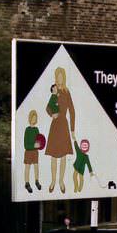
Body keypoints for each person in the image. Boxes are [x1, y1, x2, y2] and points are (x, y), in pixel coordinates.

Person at [45, 66, 75, 194]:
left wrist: (72, 129)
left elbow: (72, 111)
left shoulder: (67, 92)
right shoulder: (54, 92)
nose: (60, 78)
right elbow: (47, 108)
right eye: (58, 76)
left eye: (62, 76)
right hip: (55, 125)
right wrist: (52, 114)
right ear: (56, 78)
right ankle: (52, 181)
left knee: (63, 155)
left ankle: (61, 181)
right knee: (53, 155)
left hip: (63, 125)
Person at [22, 109, 42, 194]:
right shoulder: (27, 130)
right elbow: (25, 144)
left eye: (35, 118)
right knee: (27, 167)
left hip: (35, 152)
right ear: (30, 118)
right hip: (28, 152)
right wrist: (33, 146)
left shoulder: (36, 129)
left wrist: (38, 145)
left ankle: (36, 181)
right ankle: (27, 183)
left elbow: (39, 141)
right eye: (33, 118)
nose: (34, 120)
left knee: (36, 166)